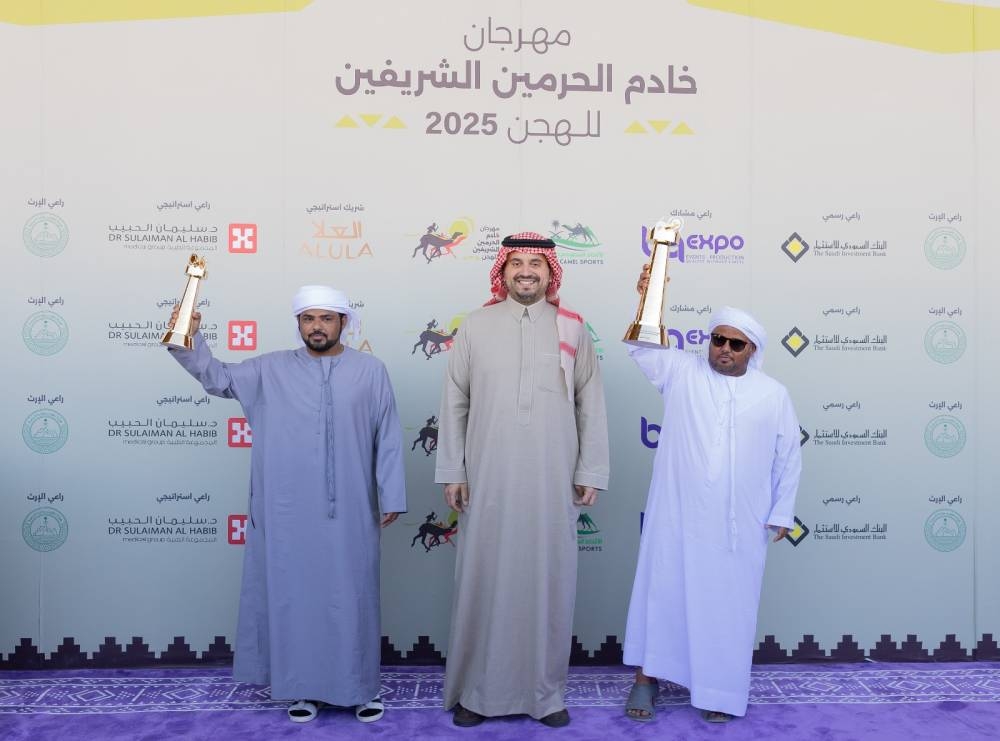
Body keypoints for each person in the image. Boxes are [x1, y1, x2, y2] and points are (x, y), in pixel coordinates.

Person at [165, 285, 406, 724]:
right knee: (296, 599)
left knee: (352, 596)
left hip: (352, 507)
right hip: (287, 510)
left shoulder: (371, 371)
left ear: (343, 323)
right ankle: (301, 687)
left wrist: (391, 493)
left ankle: (360, 689)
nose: (317, 327)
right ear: (299, 324)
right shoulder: (269, 369)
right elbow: (217, 377)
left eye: (326, 318)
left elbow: (387, 434)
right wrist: (188, 336)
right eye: (308, 319)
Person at [435, 232, 610, 728]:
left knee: (549, 582)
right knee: (484, 578)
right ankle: (477, 692)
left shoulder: (572, 327)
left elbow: (590, 401)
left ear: (551, 271)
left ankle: (545, 695)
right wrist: (453, 469)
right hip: (487, 474)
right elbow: (455, 400)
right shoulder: (476, 325)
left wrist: (590, 469)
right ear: (503, 271)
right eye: (517, 263)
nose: (527, 271)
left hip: (554, 477)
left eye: (536, 262)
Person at [623, 265, 801, 724]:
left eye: (736, 344)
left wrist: (781, 511)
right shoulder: (681, 371)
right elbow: (642, 346)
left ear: (752, 350)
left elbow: (788, 456)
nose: (724, 348)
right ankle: (646, 679)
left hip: (738, 525)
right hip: (677, 516)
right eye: (718, 339)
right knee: (663, 593)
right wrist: (649, 297)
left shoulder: (773, 395)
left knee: (727, 607)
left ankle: (718, 690)